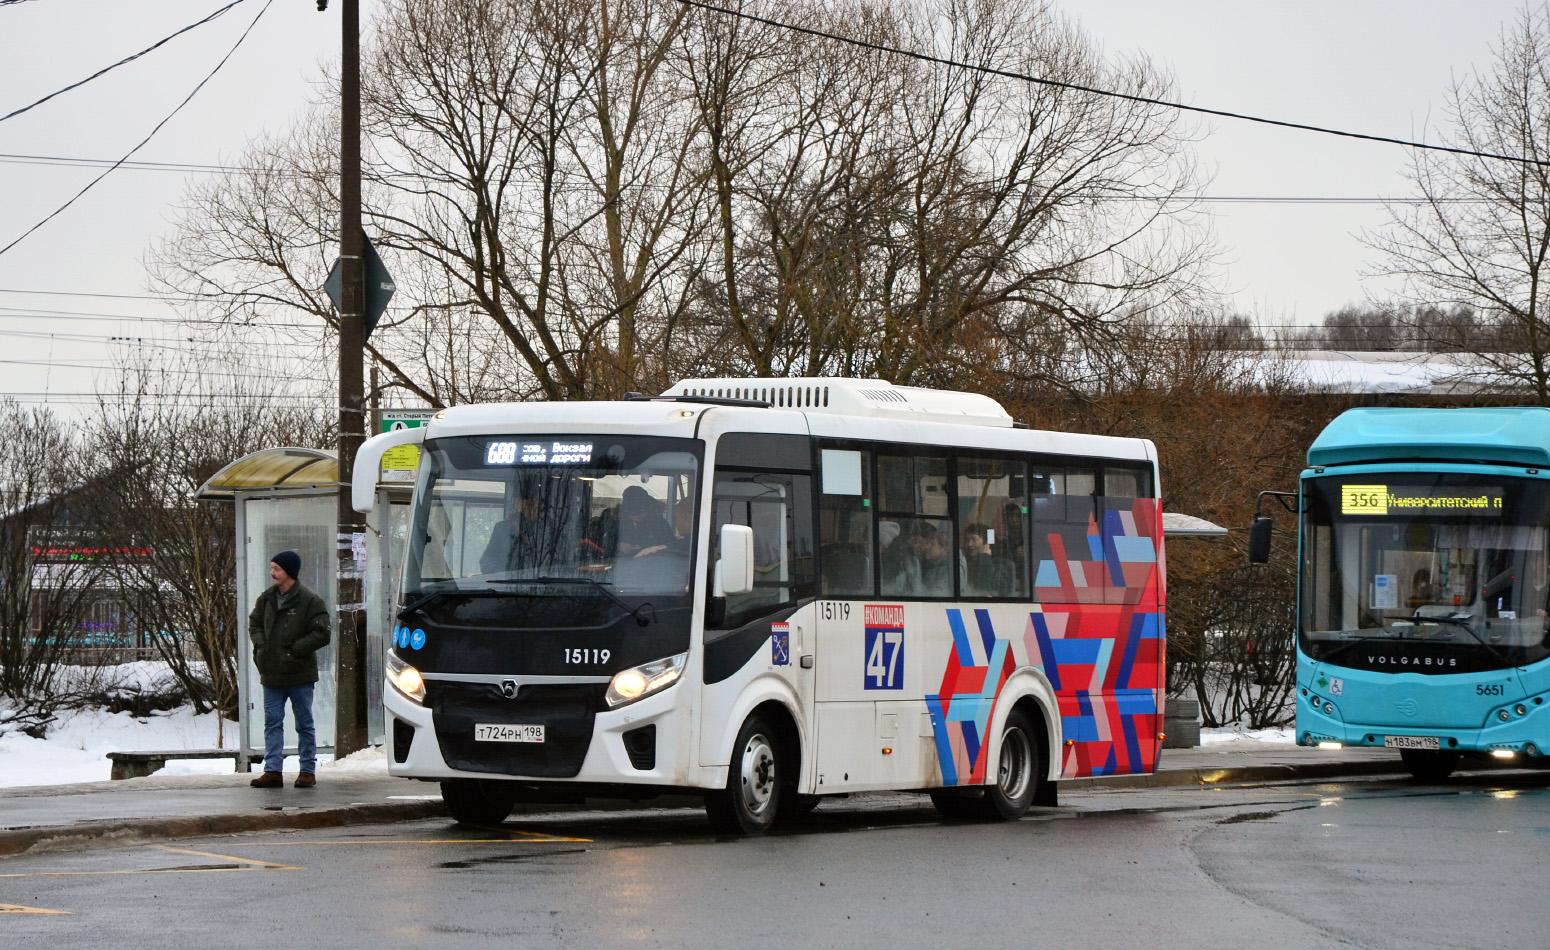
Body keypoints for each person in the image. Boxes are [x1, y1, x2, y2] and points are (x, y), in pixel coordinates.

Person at [247, 550, 330, 789]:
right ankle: (272, 770)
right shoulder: (266, 599)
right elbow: (254, 623)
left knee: (304, 723)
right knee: (272, 722)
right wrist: (262, 646)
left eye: (277, 569)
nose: (272, 573)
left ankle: (307, 771)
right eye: (272, 568)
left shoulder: (310, 600)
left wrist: (295, 650)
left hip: (299, 674)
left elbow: (322, 633)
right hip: (271, 673)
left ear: (289, 573)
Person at [480, 495, 545, 575]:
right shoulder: (502, 528)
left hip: (538, 584)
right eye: (532, 505)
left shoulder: (546, 531)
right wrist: (503, 574)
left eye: (538, 508)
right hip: (505, 584)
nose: (536, 510)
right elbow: (486, 560)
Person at [615, 486, 675, 557]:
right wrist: (617, 545)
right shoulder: (615, 521)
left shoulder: (659, 523)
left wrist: (646, 547)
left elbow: (671, 546)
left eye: (642, 512)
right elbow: (602, 544)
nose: (638, 516)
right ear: (625, 511)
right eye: (633, 513)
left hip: (653, 563)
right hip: (621, 563)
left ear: (649, 509)